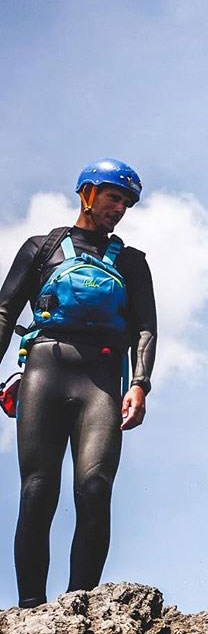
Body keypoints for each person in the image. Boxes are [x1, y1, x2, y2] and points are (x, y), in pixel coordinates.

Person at [0, 158, 157, 608]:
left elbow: (146, 328)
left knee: (94, 488)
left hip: (103, 381)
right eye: (113, 197)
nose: (120, 208)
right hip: (45, 370)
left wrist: (141, 384)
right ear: (87, 193)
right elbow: (6, 310)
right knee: (37, 489)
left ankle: (79, 606)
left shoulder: (131, 261)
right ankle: (31, 607)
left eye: (126, 203)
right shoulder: (41, 248)